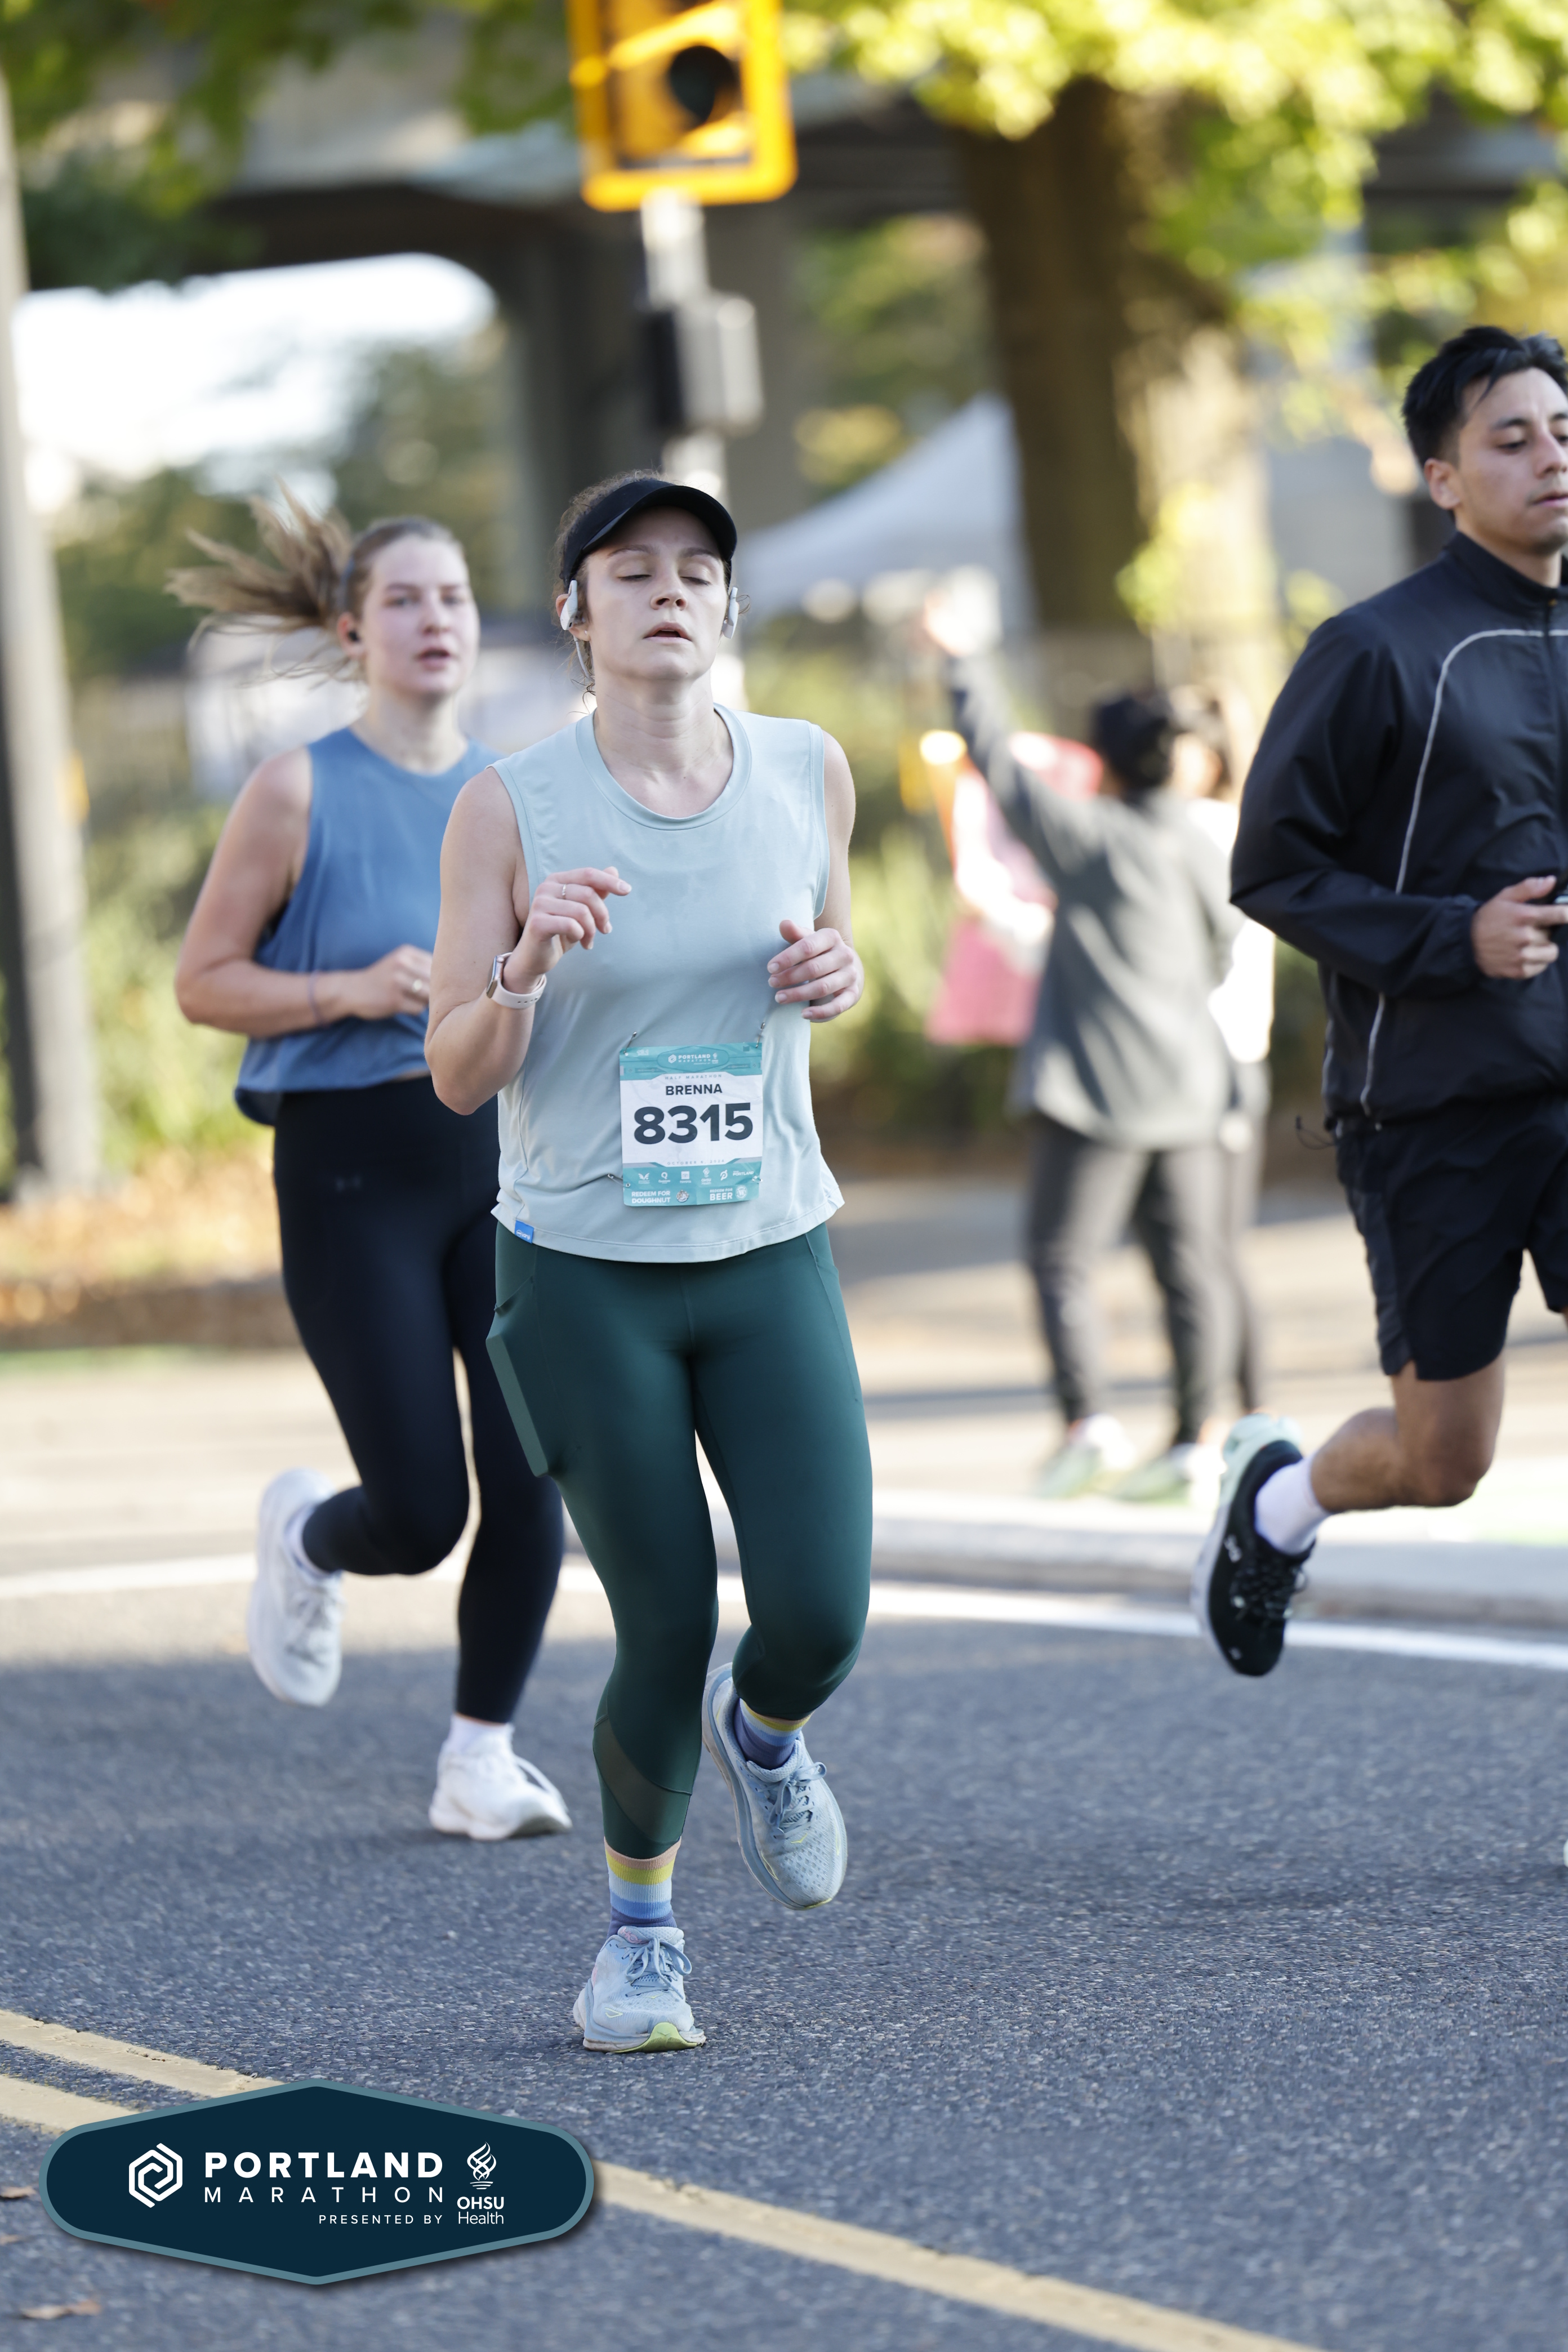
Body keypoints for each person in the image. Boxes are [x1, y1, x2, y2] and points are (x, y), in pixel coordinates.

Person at [426, 471, 872, 2053]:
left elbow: (831, 963)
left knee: (820, 1611)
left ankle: (769, 1736)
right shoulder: (510, 805)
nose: (670, 589)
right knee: (665, 1618)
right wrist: (525, 963)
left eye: (698, 569)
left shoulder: (809, 769)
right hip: (584, 1273)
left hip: (767, 1247)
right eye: (631, 569)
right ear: (576, 612)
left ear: (728, 608)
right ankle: (641, 1939)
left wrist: (839, 975)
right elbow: (457, 1073)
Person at [173, 492, 568, 1838]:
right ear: (353, 632)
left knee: (533, 1471)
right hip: (353, 1181)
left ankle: (479, 1758)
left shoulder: (520, 794)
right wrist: (344, 989)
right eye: (403, 599)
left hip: (504, 1167)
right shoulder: (297, 789)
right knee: (419, 1514)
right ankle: (309, 1539)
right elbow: (203, 981)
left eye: (453, 597)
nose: (434, 619)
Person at [1195, 324, 1568, 1681]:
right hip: (1436, 1105)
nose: (1550, 457)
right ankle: (1280, 1505)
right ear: (1443, 478)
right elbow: (1272, 869)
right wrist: (1454, 938)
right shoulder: (1376, 649)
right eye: (1511, 438)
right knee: (1442, 1460)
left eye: (1564, 431)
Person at [920, 599, 1241, 1505]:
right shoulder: (1199, 839)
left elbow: (998, 763)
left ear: (1102, 761)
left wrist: (963, 662)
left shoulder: (1089, 837)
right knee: (1194, 1269)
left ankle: (1088, 1425)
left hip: (1093, 1088)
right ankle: (1197, 1441)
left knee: (1062, 1258)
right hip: (1191, 1085)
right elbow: (1222, 949)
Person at [1168, 686, 1273, 1415]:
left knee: (1209, 1252)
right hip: (1231, 1057)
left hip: (1215, 1060)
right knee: (1214, 1251)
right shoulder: (1241, 825)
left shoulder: (1196, 830)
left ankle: (1239, 1417)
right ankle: (1237, 1417)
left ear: (1206, 758)